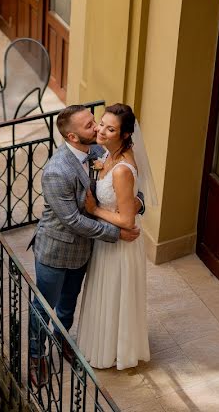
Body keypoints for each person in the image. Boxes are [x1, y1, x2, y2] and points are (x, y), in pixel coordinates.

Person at [28, 105, 142, 388]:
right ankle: (35, 356)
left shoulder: (98, 151)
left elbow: (128, 188)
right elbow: (73, 221)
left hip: (84, 252)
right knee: (44, 308)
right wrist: (116, 233)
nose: (98, 129)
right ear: (73, 137)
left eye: (98, 122)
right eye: (91, 126)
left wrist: (137, 208)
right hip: (56, 251)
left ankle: (63, 341)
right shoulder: (56, 171)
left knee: (68, 307)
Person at [76, 103, 150, 369]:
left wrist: (95, 209)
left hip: (120, 243)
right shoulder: (110, 155)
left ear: (126, 134)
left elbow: (128, 220)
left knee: (114, 293)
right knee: (104, 292)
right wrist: (99, 166)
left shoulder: (121, 170)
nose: (102, 131)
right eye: (102, 124)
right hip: (107, 240)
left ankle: (114, 350)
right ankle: (101, 343)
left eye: (111, 129)